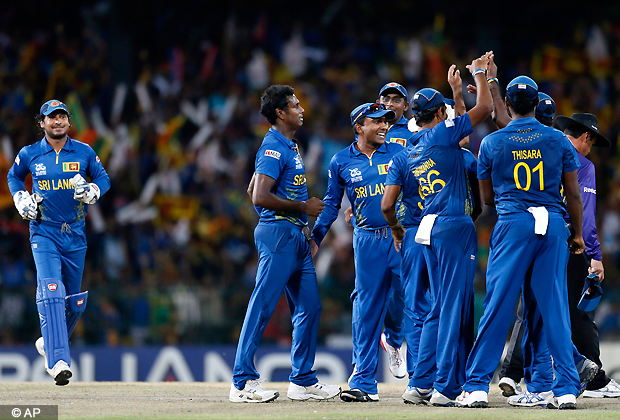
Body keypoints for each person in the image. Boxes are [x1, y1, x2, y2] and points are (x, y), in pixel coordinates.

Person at [456, 76, 584, 410]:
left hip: (514, 223)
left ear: (509, 104)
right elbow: (572, 193)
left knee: (498, 304)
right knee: (554, 307)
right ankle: (567, 389)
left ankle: (477, 388)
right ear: (537, 103)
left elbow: (486, 199)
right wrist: (578, 234)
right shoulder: (558, 140)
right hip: (554, 225)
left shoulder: (492, 143)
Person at [382, 52, 493, 407]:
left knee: (433, 309)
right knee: (451, 308)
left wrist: (397, 231)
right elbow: (485, 109)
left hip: (422, 230)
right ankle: (446, 387)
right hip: (453, 226)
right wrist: (478, 75)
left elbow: (387, 205)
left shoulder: (405, 153)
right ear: (440, 114)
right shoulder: (446, 137)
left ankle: (420, 383)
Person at [229, 85, 340, 403]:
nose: (301, 108)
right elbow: (260, 195)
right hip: (278, 236)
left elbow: (254, 190)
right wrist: (299, 211)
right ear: (280, 113)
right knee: (262, 306)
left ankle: (302, 381)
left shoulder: (289, 146)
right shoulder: (273, 147)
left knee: (309, 307)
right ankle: (241, 382)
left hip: (294, 237)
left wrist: (299, 225)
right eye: (295, 105)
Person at [494, 92, 600, 404]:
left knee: (533, 310)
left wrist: (490, 83)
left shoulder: (524, 144)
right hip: (561, 235)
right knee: (550, 310)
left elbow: (501, 123)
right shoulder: (564, 151)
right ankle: (565, 372)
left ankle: (536, 380)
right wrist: (588, 247)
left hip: (530, 232)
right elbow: (582, 207)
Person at [7, 99, 110, 385]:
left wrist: (93, 190)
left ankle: (48, 342)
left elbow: (104, 177)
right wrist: (20, 197)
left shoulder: (85, 151)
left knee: (73, 303)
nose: (58, 122)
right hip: (44, 231)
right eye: (52, 118)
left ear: (69, 122)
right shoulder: (30, 154)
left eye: (62, 117)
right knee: (52, 289)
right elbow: (14, 176)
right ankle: (59, 361)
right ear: (42, 123)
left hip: (75, 233)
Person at [311, 102, 404, 402]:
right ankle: (364, 381)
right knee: (365, 307)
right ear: (359, 127)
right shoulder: (340, 162)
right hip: (366, 240)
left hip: (400, 236)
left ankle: (395, 339)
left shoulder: (399, 153)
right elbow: (330, 204)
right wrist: (316, 238)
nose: (384, 126)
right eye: (376, 121)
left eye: (386, 122)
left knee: (407, 298)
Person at [554, 113, 620, 399]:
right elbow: (586, 213)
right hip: (572, 243)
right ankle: (593, 380)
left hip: (537, 239)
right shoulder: (583, 165)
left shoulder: (545, 153)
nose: (591, 148)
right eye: (592, 141)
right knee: (580, 312)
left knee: (539, 310)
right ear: (586, 136)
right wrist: (594, 254)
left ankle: (526, 374)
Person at [376, 81, 411, 379]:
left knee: (400, 288)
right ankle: (360, 368)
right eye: (385, 98)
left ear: (406, 106)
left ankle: (394, 338)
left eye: (396, 99)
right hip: (374, 221)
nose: (390, 103)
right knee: (369, 291)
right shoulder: (371, 129)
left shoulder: (412, 133)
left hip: (402, 220)